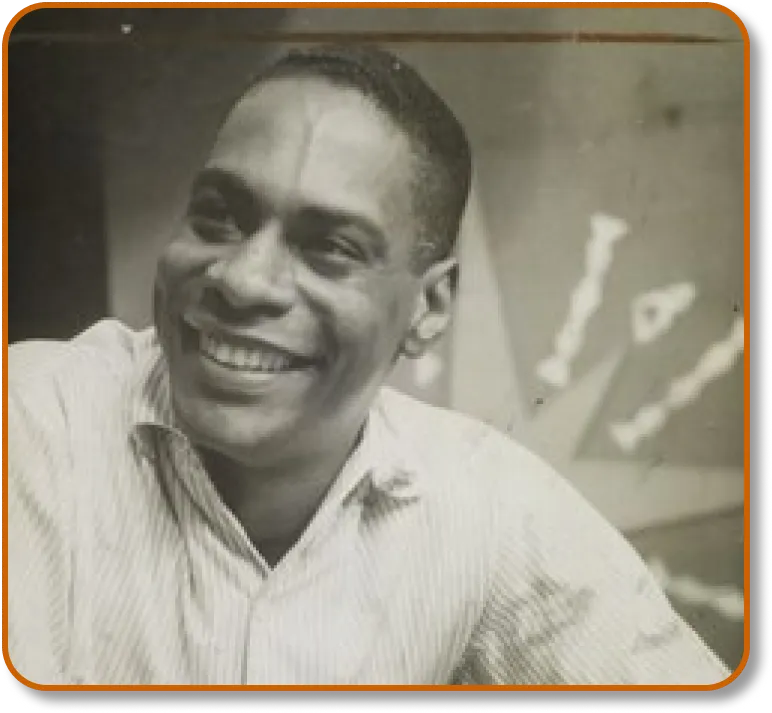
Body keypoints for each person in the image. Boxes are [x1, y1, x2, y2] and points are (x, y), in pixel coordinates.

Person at [7, 44, 732, 686]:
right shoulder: (34, 422)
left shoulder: (490, 506)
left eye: (330, 247)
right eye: (218, 215)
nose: (243, 279)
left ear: (430, 308)